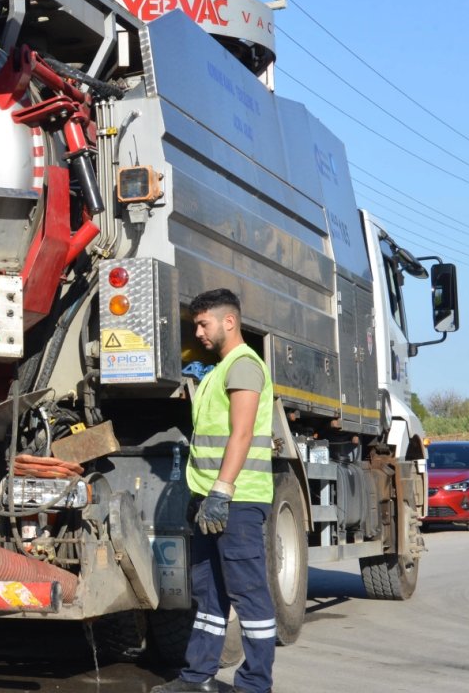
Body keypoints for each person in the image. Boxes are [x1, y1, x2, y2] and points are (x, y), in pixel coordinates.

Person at [153, 289, 276, 693]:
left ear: (229, 322)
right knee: (209, 595)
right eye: (196, 325)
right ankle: (196, 677)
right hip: (211, 502)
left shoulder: (243, 366)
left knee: (248, 593)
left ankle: (255, 684)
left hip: (237, 501)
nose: (198, 333)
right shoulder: (220, 369)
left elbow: (241, 433)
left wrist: (222, 491)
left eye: (203, 324)